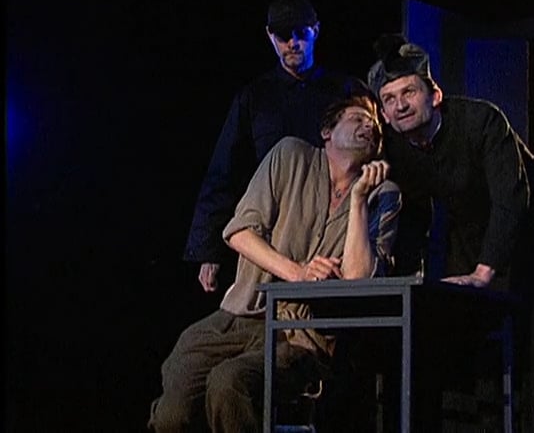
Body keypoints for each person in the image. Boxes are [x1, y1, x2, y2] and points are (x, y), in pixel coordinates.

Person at [367, 33, 534, 432]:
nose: (400, 105)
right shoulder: (397, 150)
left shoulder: (481, 120)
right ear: (383, 112)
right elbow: (415, 215)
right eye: (390, 99)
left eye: (409, 92)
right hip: (471, 225)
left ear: (434, 95)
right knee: (460, 317)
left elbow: (511, 196)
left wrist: (485, 271)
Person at [148, 95, 401, 433]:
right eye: (358, 118)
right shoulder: (291, 155)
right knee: (172, 412)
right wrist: (299, 273)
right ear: (327, 131)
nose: (370, 126)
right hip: (239, 316)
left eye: (375, 125)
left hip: (301, 336)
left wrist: (358, 202)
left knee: (230, 383)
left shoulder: (383, 194)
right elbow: (239, 232)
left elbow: (358, 279)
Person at [185, 0, 371, 294]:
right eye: (283, 36)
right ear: (270, 36)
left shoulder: (347, 90)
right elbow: (224, 172)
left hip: (332, 230)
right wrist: (208, 250)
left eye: (300, 33)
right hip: (273, 233)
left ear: (316, 30)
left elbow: (374, 151)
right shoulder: (255, 97)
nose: (292, 43)